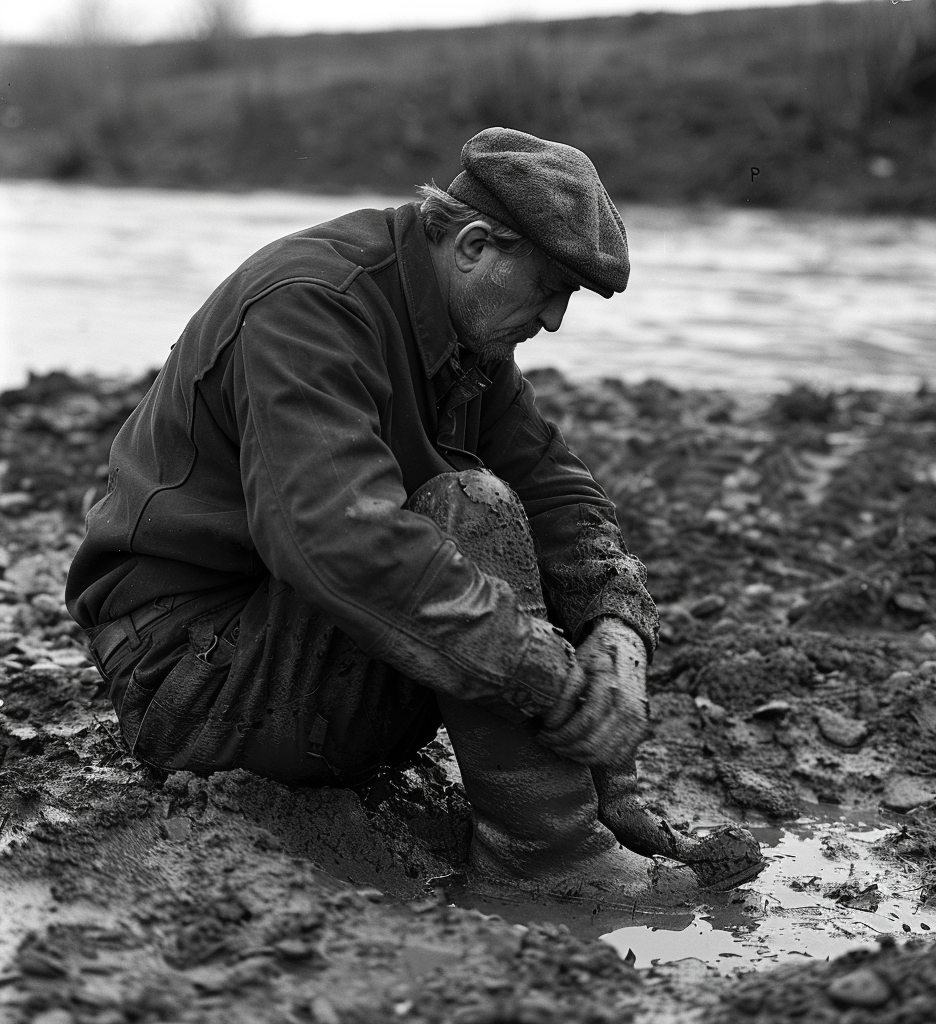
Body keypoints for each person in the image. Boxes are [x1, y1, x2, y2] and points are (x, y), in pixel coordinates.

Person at [66, 128, 763, 899]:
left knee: (511, 513)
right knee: (471, 507)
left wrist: (617, 629)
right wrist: (550, 676)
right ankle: (549, 856)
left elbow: (556, 485)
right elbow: (334, 537)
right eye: (550, 287)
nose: (557, 319)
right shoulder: (310, 306)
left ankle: (608, 804)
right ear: (473, 245)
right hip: (195, 682)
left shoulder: (464, 336)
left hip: (293, 652)